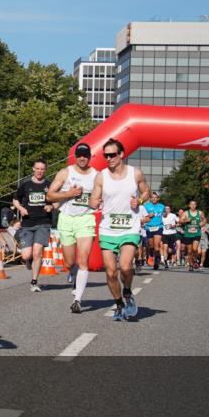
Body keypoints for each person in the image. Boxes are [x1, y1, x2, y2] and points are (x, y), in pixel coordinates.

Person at [89, 137, 151, 322]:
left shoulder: (135, 174)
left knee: (125, 267)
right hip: (108, 229)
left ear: (121, 154)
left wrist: (139, 201)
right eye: (105, 155)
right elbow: (93, 199)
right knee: (110, 272)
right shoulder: (101, 176)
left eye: (112, 155)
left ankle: (127, 291)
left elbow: (146, 191)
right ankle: (118, 304)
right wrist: (94, 202)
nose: (108, 158)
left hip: (129, 228)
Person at [46, 142, 97, 314]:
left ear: (90, 157)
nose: (82, 158)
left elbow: (103, 196)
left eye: (86, 155)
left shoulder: (97, 176)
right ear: (76, 156)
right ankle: (73, 273)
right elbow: (49, 195)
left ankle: (77, 300)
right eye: (80, 155)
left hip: (86, 219)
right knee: (69, 262)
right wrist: (69, 194)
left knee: (83, 259)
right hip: (66, 219)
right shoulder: (65, 172)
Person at [13, 158, 54, 292]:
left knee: (37, 253)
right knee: (26, 255)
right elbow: (15, 200)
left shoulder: (49, 185)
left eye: (42, 169)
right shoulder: (25, 185)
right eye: (38, 169)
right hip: (27, 223)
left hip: (43, 223)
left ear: (45, 170)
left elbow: (57, 200)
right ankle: (28, 261)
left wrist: (51, 206)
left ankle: (34, 281)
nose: (40, 171)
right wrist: (21, 209)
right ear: (33, 169)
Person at [179, 200, 206, 272]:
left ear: (196, 205)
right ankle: (191, 265)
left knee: (195, 249)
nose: (193, 206)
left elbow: (204, 219)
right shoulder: (186, 213)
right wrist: (186, 220)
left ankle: (196, 260)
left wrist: (202, 223)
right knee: (189, 251)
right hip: (188, 234)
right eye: (191, 204)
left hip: (197, 233)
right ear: (189, 205)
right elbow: (180, 221)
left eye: (194, 204)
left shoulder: (199, 213)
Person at [143, 192, 165, 271]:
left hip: (159, 227)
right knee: (151, 245)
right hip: (149, 228)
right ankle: (151, 255)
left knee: (157, 245)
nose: (154, 199)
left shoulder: (162, 206)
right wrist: (149, 215)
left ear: (158, 198)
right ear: (150, 198)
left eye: (155, 197)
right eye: (152, 197)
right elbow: (142, 216)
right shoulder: (146, 206)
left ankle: (156, 261)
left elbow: (164, 214)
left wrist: (165, 214)